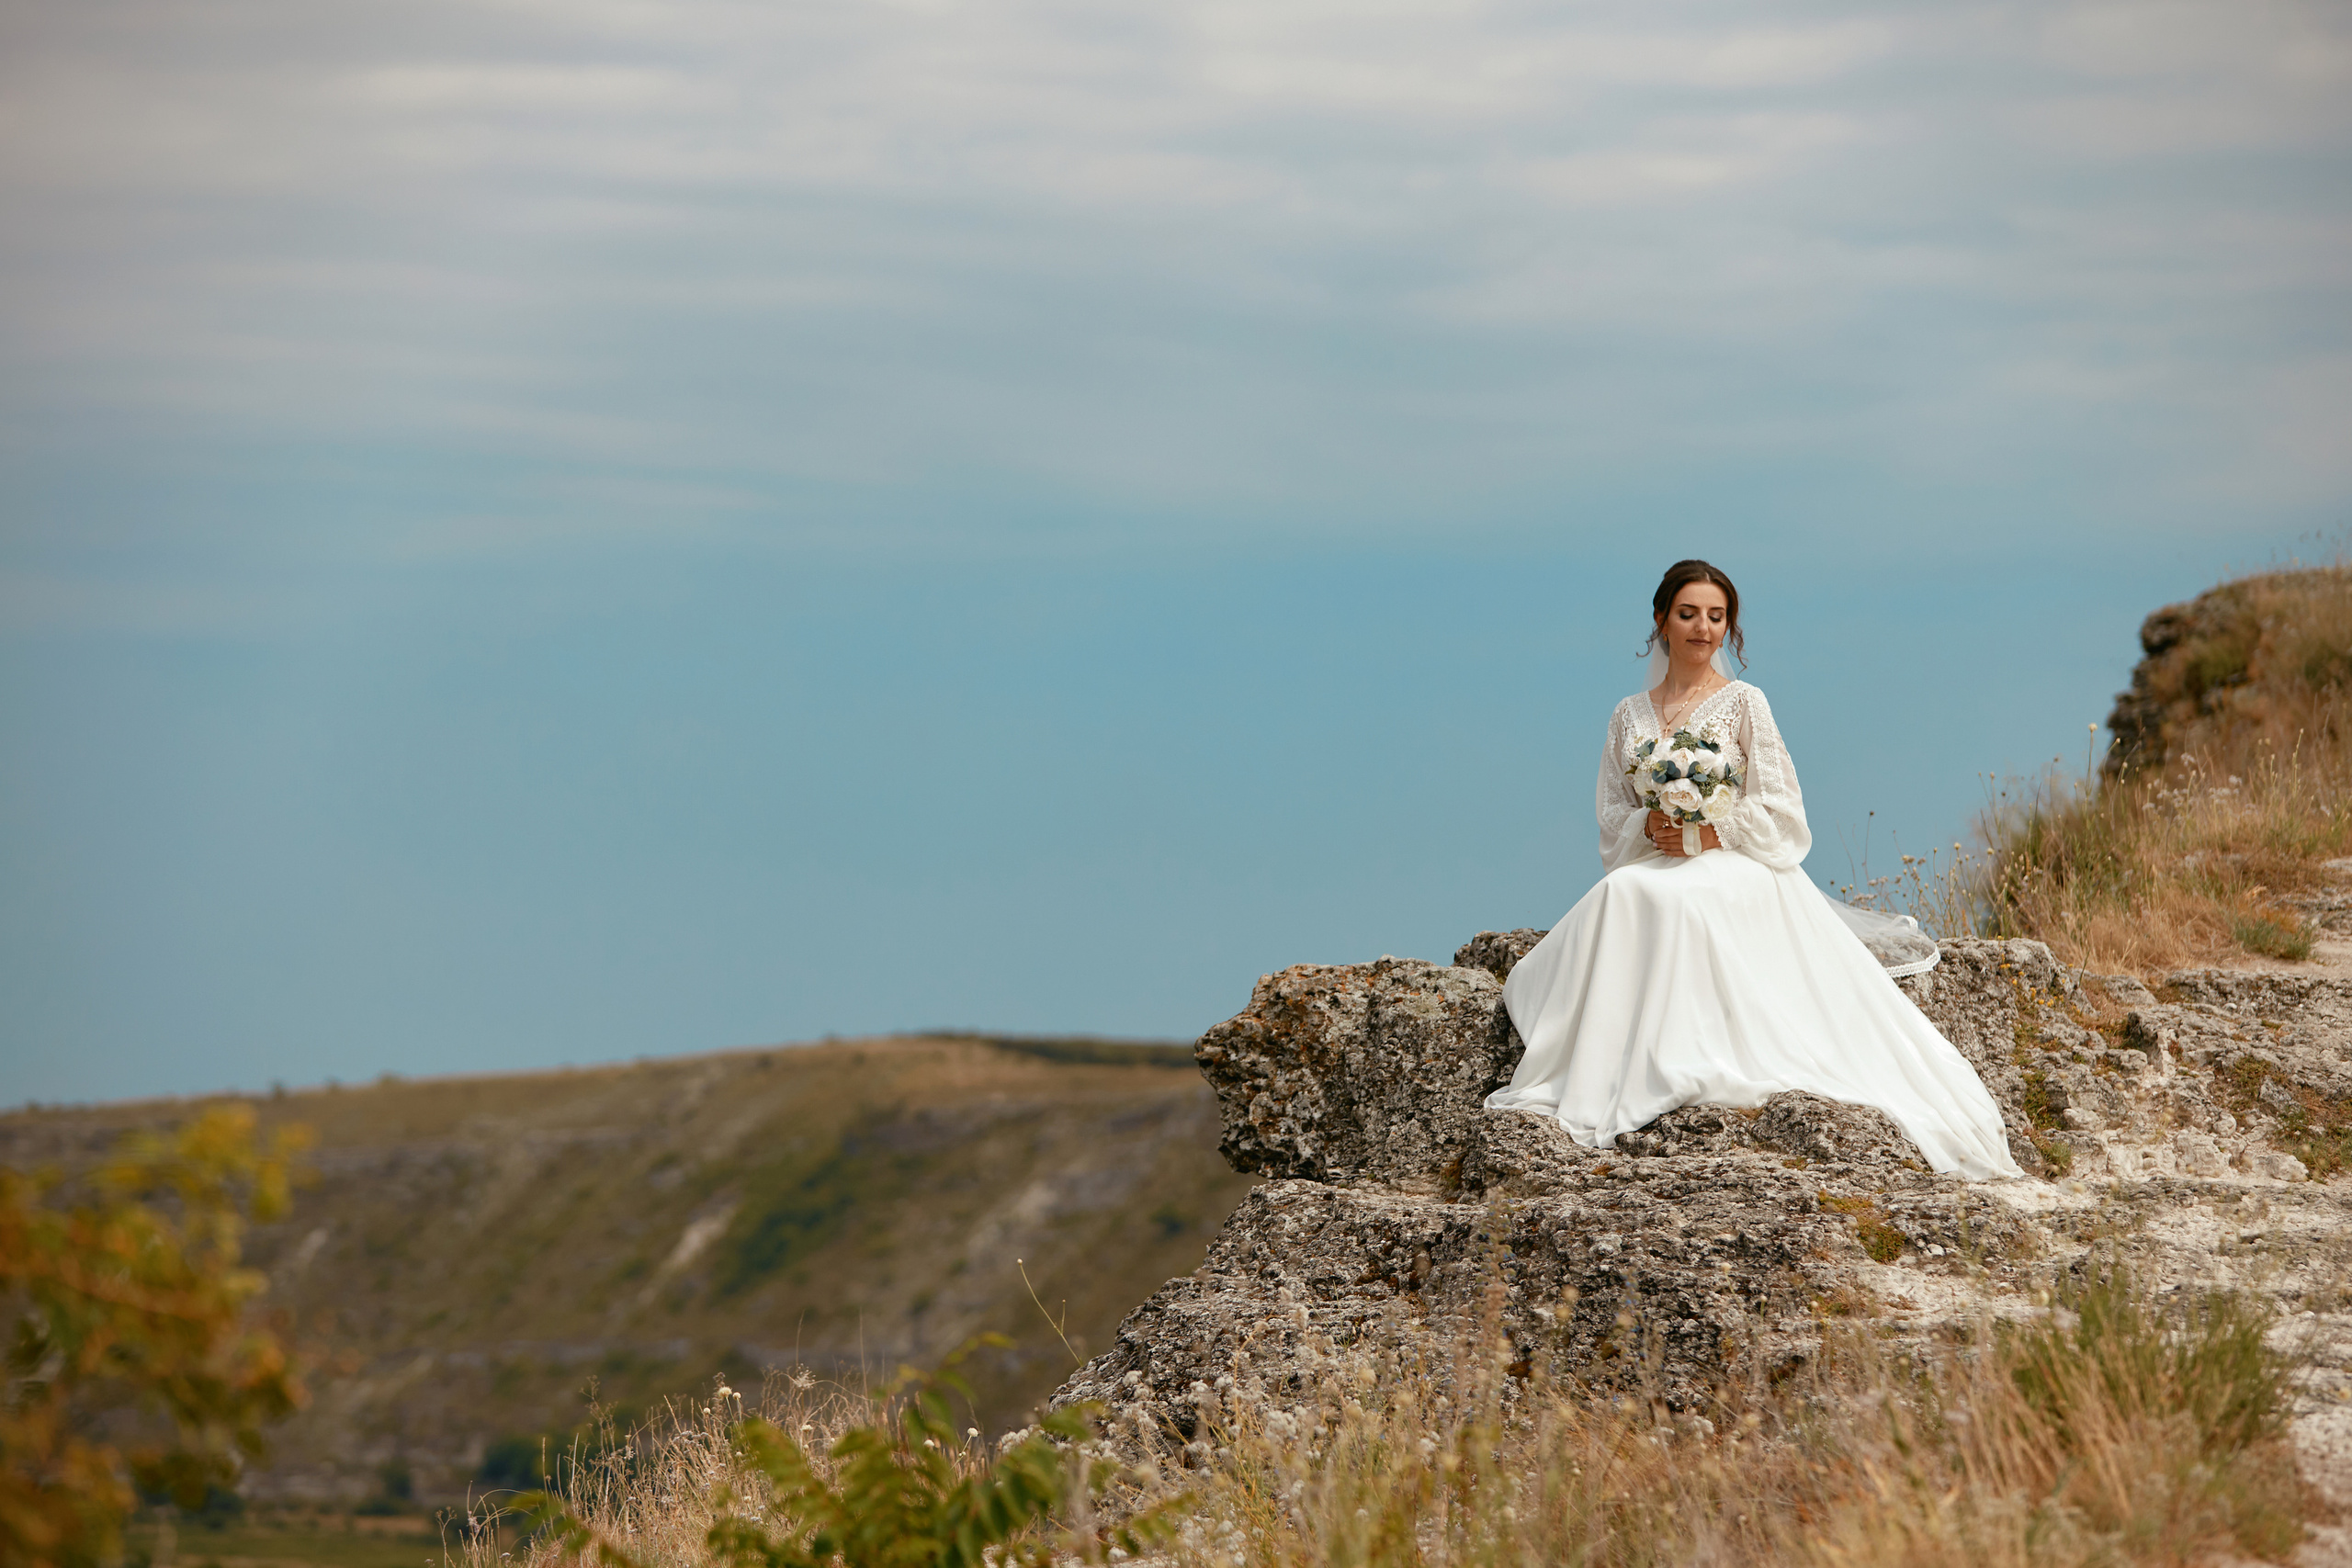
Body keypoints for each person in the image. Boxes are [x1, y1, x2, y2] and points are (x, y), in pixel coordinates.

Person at [1484, 559, 2024, 1180]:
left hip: (1735, 861)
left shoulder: (1745, 702)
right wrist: (1651, 826)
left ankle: (1680, 1055)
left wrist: (1711, 829)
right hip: (1658, 859)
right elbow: (1612, 811)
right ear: (1661, 620)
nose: (1702, 628)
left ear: (1728, 627)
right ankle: (1610, 1062)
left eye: (1716, 617)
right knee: (1625, 890)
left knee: (1672, 901)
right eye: (1688, 614)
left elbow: (1782, 809)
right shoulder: (1627, 715)